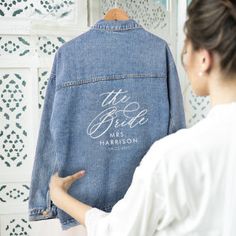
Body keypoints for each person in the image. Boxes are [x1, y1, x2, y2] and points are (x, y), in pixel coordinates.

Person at [49, 0, 236, 235]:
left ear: (204, 59)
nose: (184, 59)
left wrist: (58, 197)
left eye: (186, 49)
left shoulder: (170, 157)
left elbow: (117, 231)